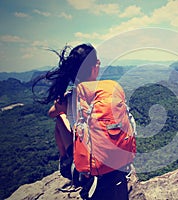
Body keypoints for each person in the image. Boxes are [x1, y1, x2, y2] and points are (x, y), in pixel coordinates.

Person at [32, 43, 130, 200]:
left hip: (88, 167)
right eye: (97, 62)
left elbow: (51, 113)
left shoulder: (69, 97)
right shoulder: (109, 92)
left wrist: (62, 106)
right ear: (93, 68)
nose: (99, 64)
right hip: (116, 162)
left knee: (59, 118)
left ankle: (64, 161)